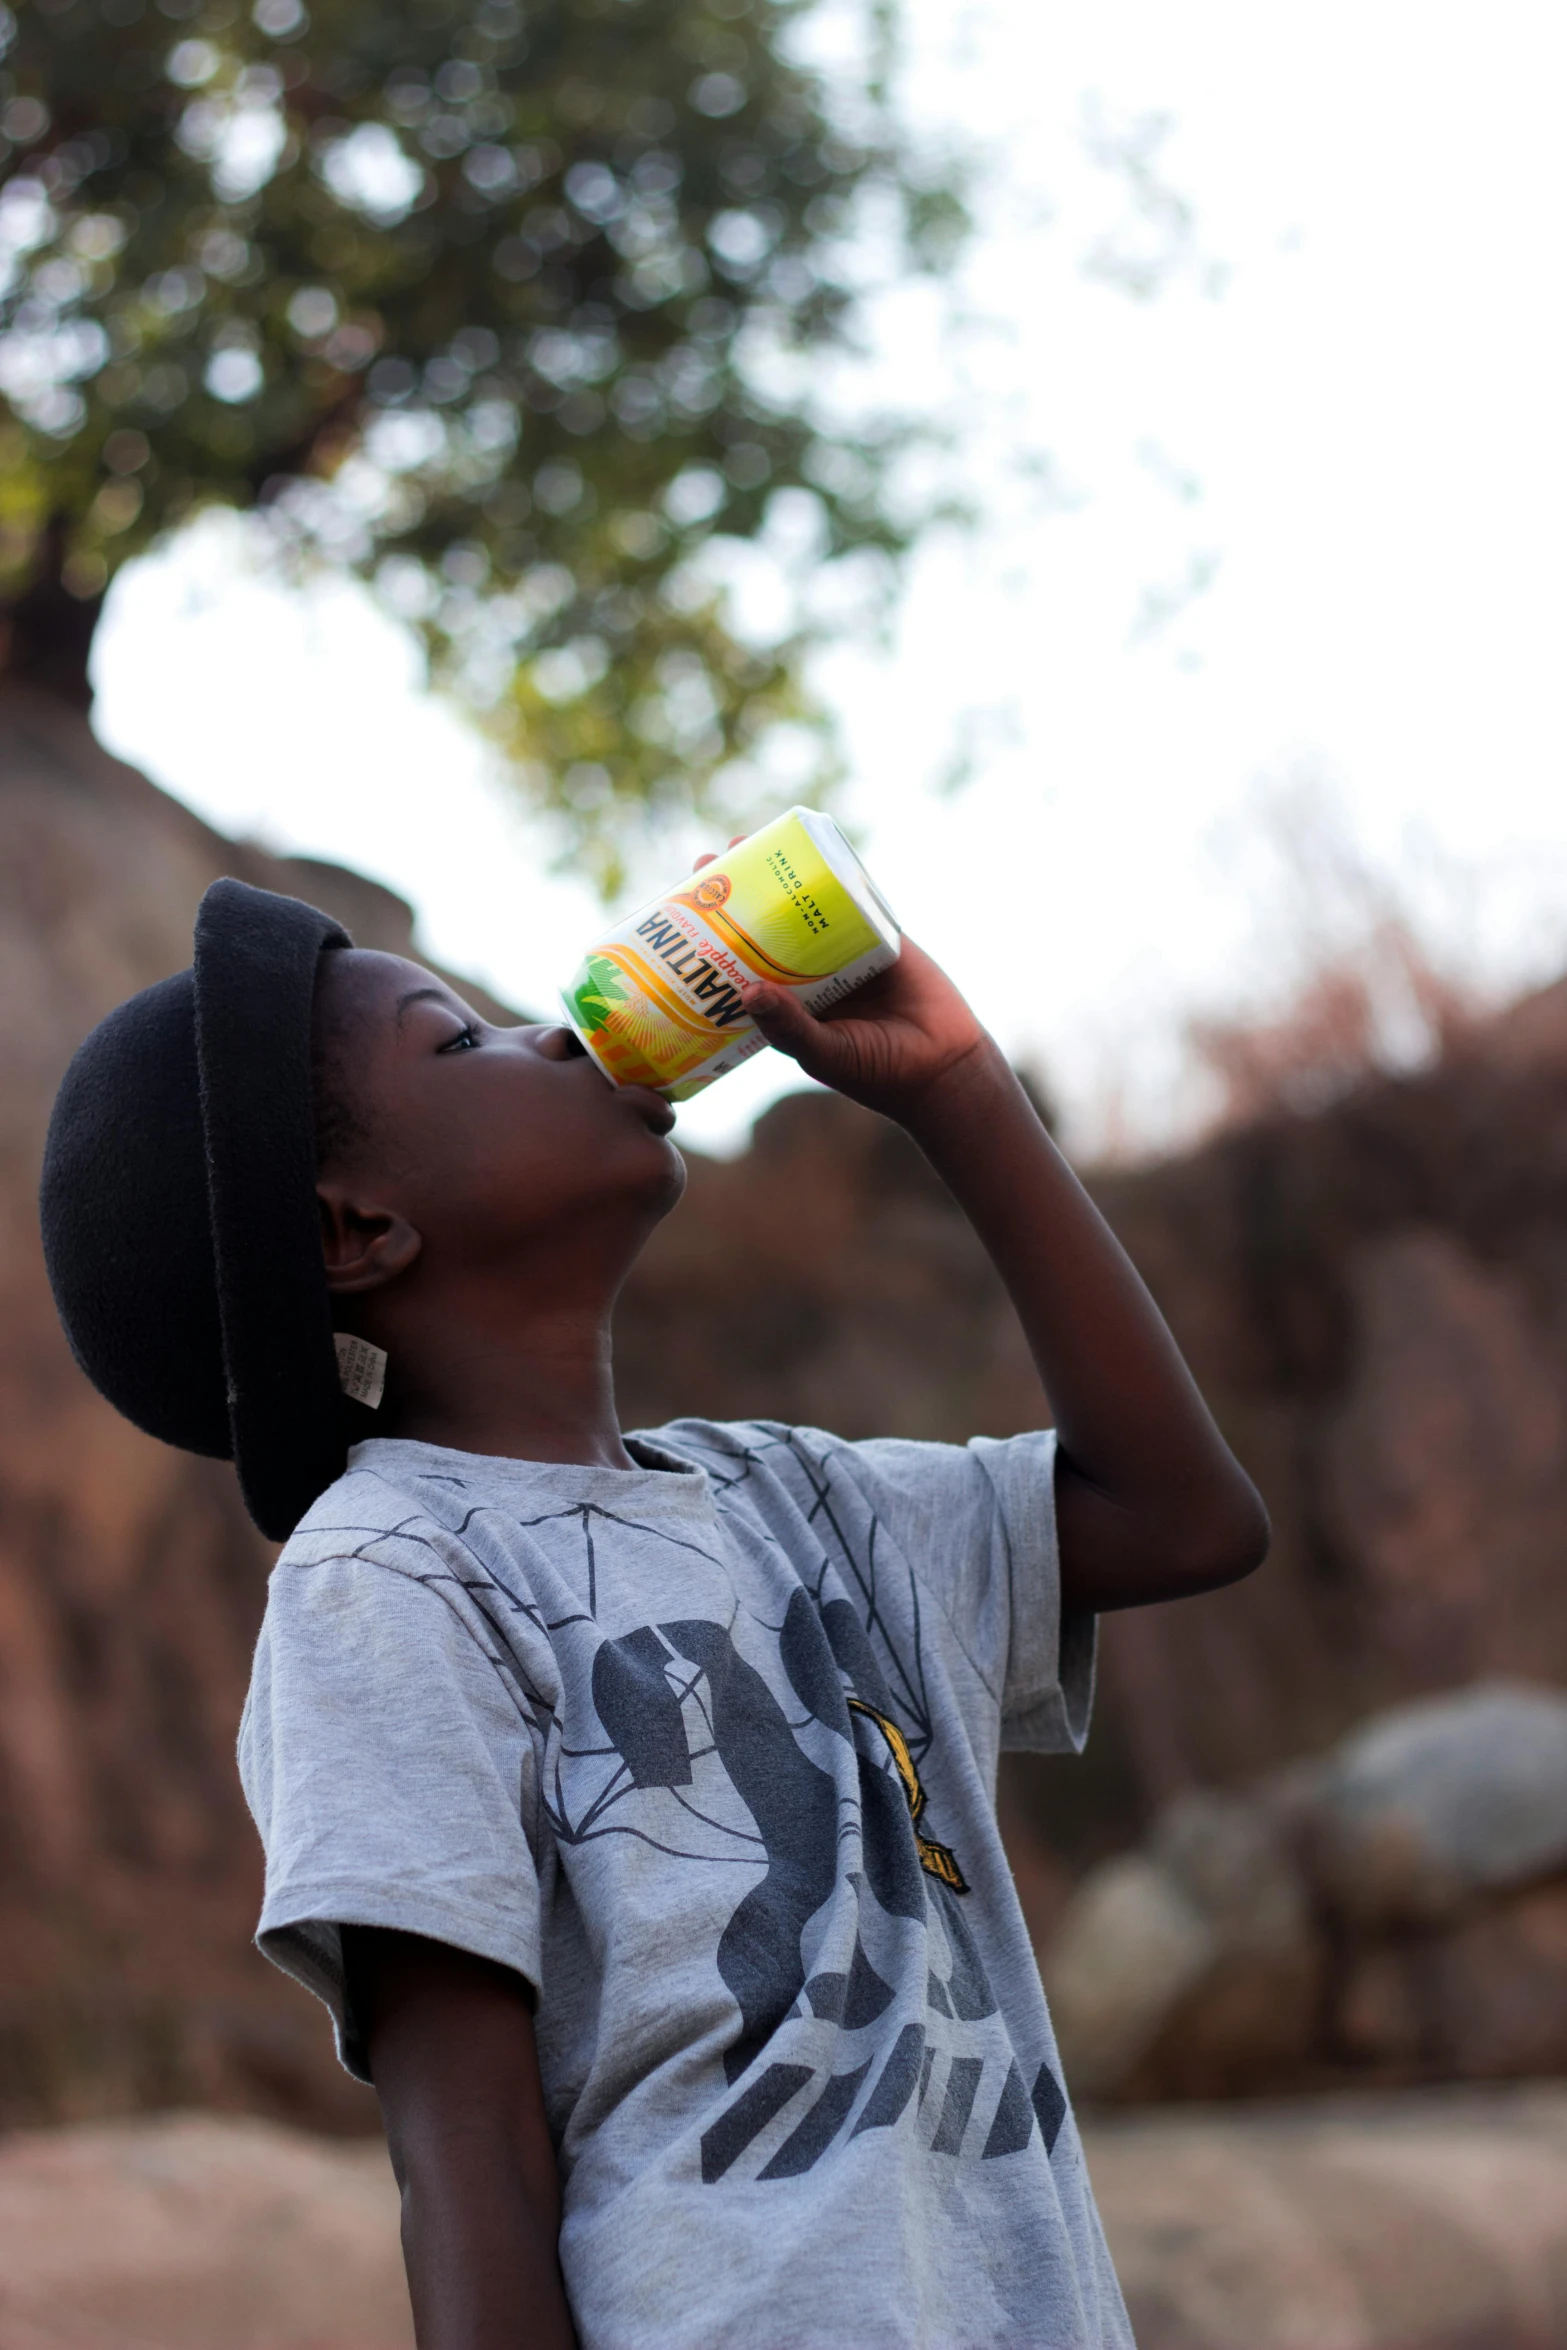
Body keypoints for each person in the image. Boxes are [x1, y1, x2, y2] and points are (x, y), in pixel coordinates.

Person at [40, 871, 1268, 2350]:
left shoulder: (797, 1496)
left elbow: (1180, 1515)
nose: (555, 1035)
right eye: (461, 1042)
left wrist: (957, 1092)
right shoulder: (391, 1571)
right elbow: (466, 2153)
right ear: (357, 1227)